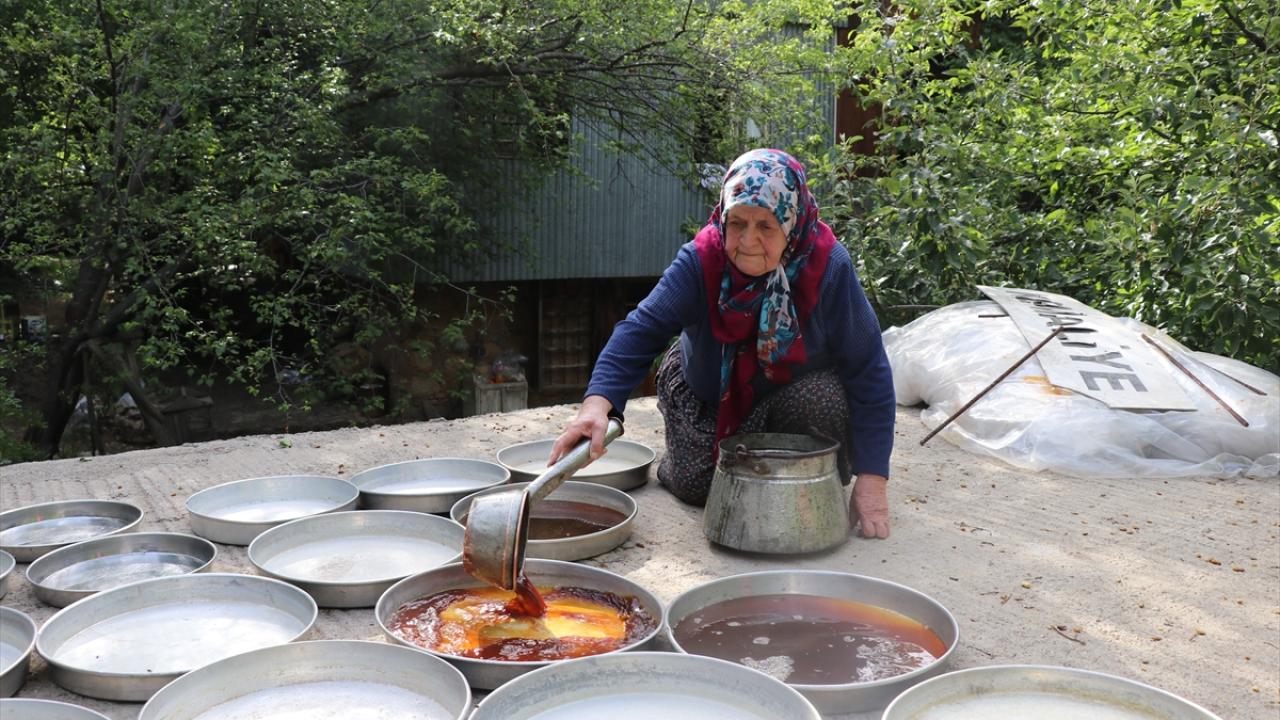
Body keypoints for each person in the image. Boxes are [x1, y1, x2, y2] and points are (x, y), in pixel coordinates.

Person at [549, 148, 894, 539]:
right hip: (709, 391)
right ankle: (682, 455)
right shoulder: (701, 261)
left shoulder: (828, 267)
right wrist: (596, 407)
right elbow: (639, 330)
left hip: (793, 391)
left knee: (822, 402)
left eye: (766, 226)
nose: (747, 241)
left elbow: (869, 369)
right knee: (701, 490)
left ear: (792, 225)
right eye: (738, 223)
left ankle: (808, 475)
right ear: (723, 217)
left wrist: (873, 478)